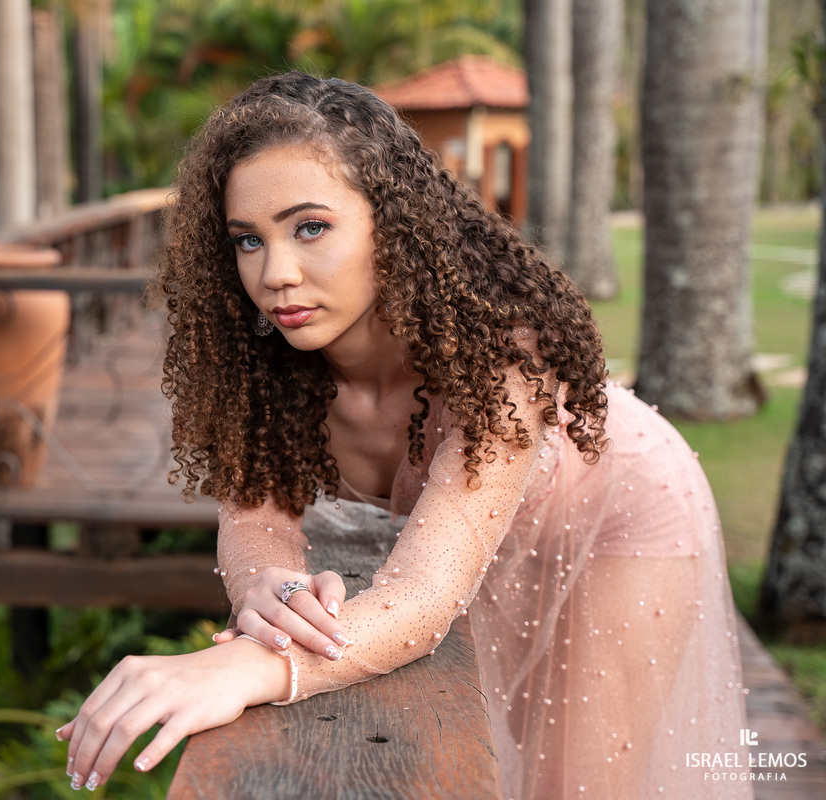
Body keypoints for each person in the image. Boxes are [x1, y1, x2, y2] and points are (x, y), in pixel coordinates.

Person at [57, 71, 752, 798]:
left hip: (618, 512)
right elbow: (256, 517)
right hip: (477, 533)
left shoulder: (500, 358)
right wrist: (270, 586)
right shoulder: (261, 363)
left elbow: (422, 596)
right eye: (248, 241)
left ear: (392, 224)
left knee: (581, 777)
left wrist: (248, 666)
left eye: (310, 227)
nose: (276, 274)